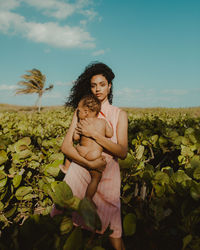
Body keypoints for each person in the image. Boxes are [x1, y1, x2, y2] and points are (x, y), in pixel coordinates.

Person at [60, 62, 128, 250]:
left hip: (108, 176)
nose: (97, 89)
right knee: (76, 228)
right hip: (81, 171)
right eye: (93, 85)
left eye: (102, 84)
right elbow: (66, 146)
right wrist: (90, 164)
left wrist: (95, 135)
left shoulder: (119, 114)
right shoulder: (81, 110)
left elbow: (122, 152)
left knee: (114, 231)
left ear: (109, 86)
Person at [60, 94, 113, 205]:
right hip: (95, 155)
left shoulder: (81, 123)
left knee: (71, 149)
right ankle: (88, 198)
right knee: (96, 178)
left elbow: (75, 138)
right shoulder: (102, 122)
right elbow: (110, 133)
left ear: (86, 112)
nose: (77, 113)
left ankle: (66, 166)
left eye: (78, 111)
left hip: (82, 151)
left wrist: (77, 129)